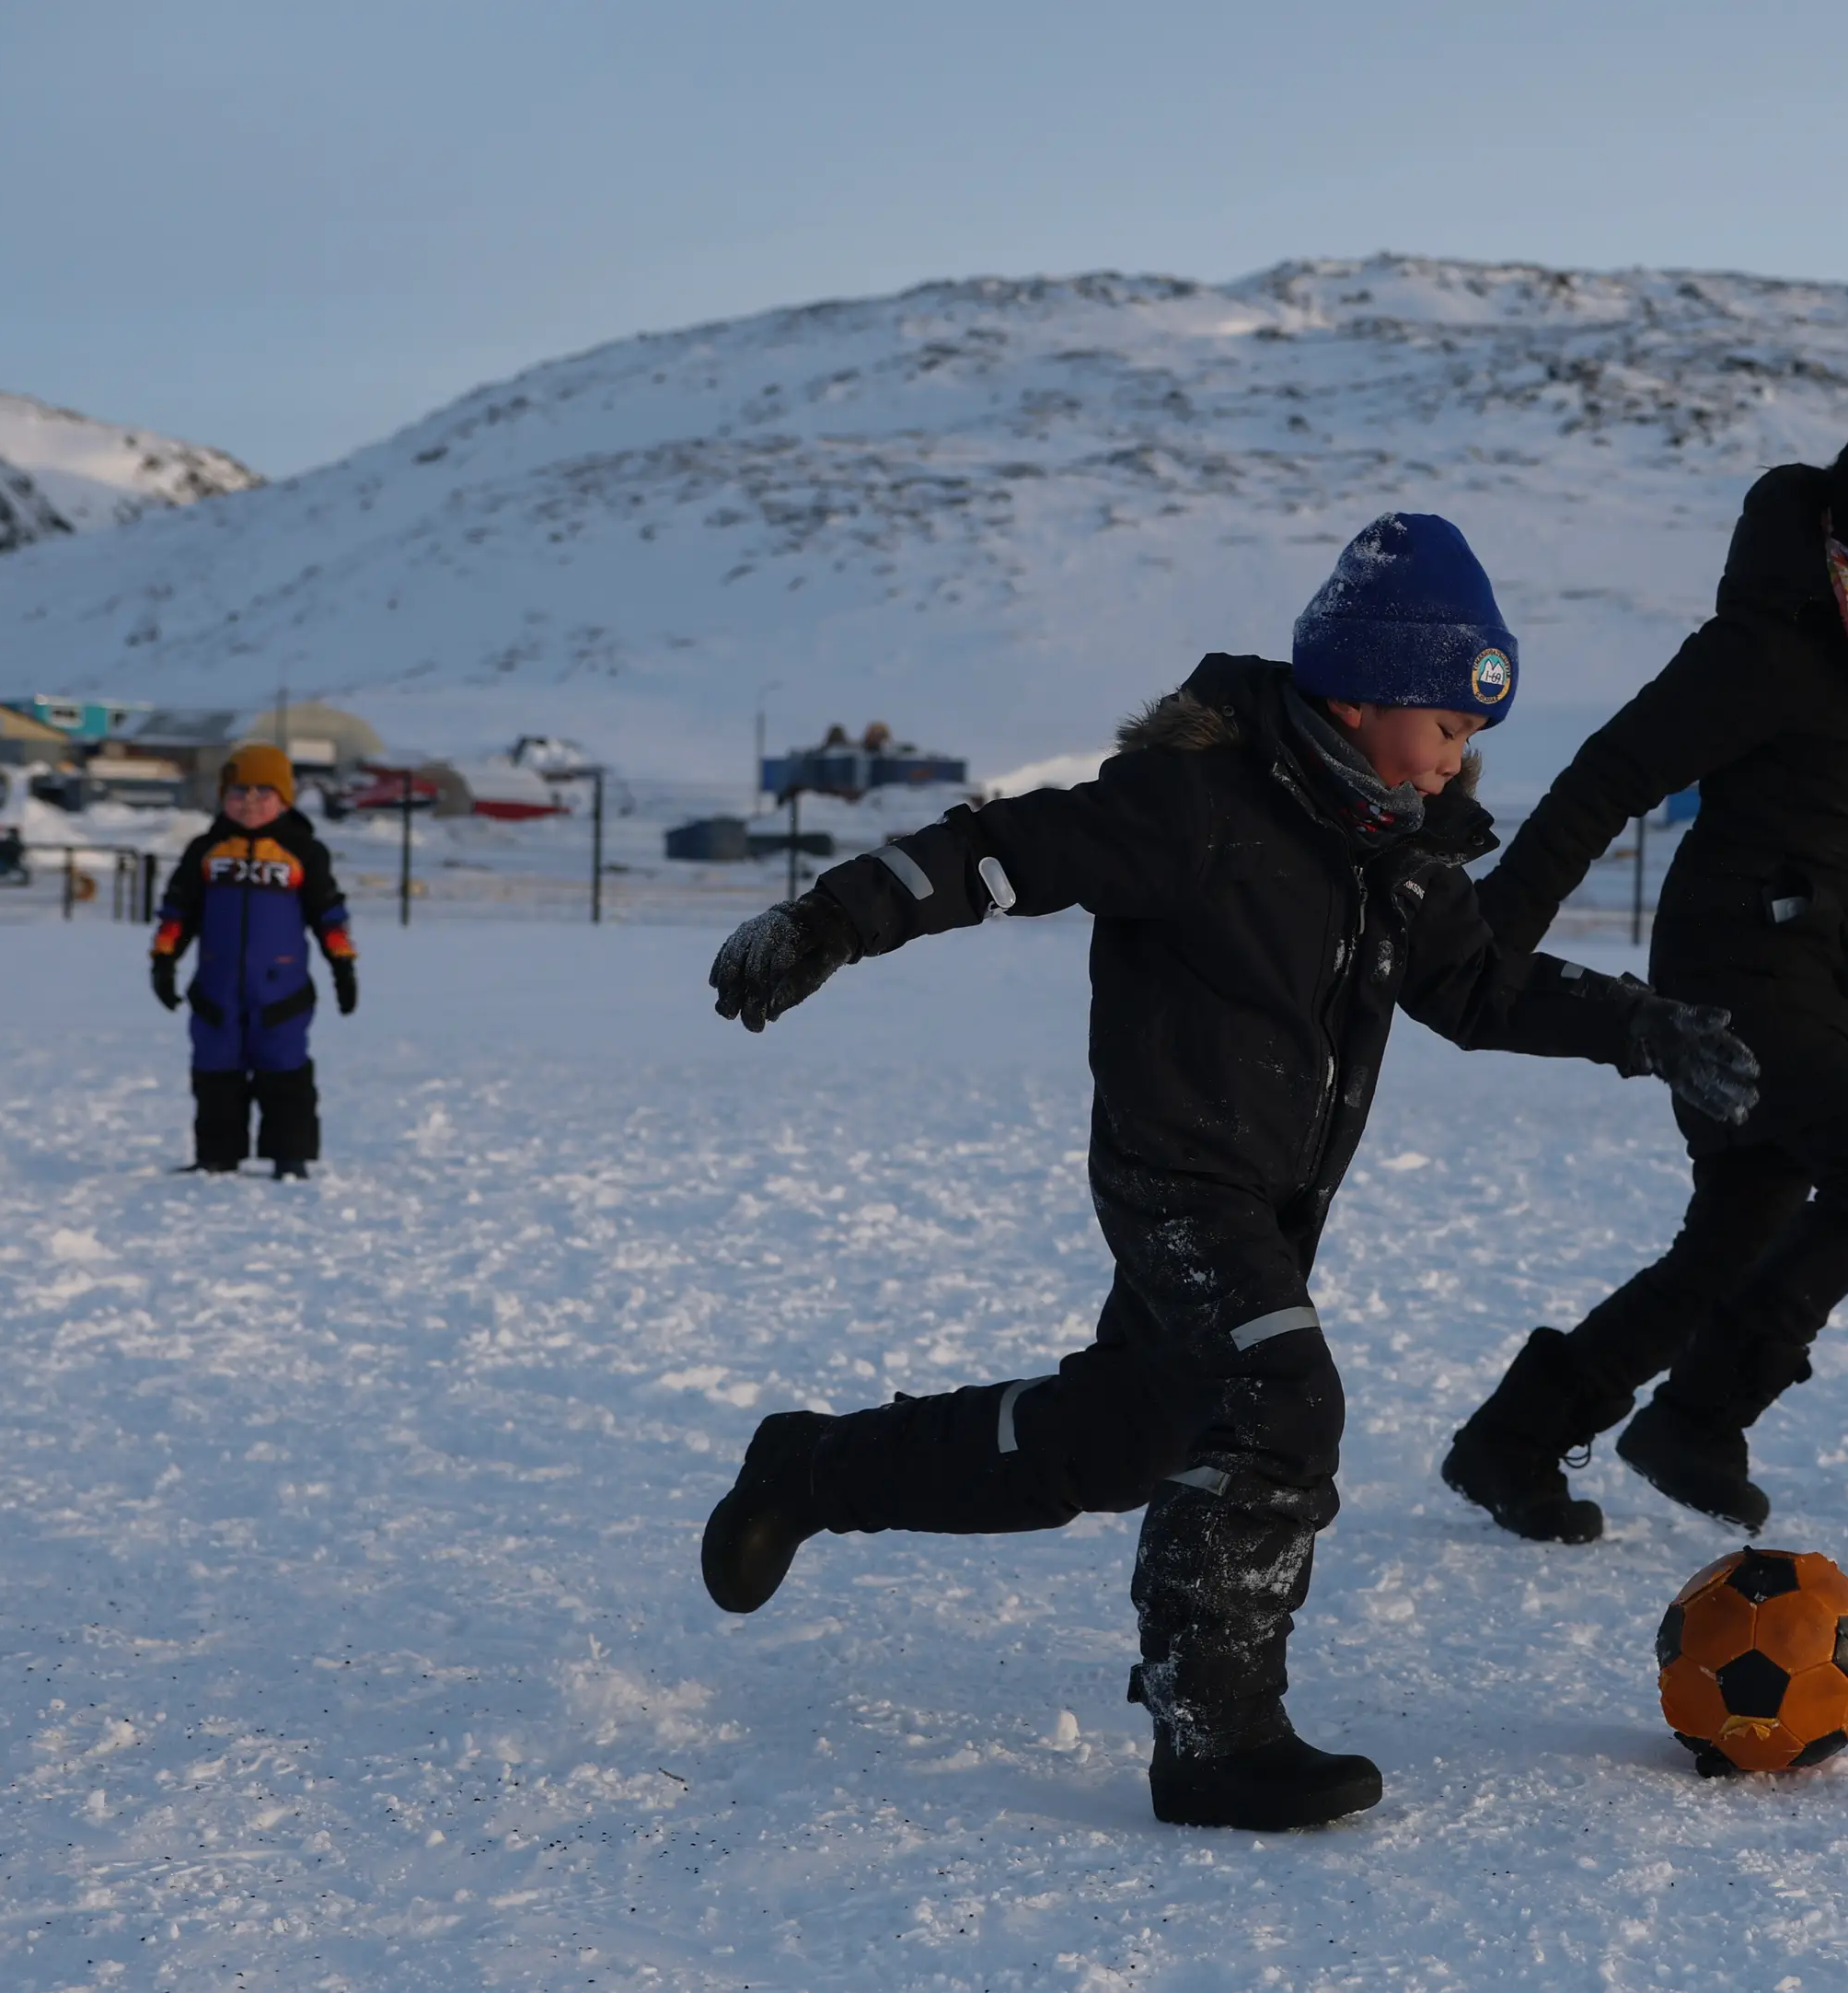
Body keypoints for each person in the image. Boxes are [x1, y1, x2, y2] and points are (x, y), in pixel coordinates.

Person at [693, 514, 1759, 1833]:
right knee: (1278, 1392)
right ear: (1360, 697)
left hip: (1270, 1203)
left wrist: (1644, 1027)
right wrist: (829, 918)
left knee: (1115, 1438)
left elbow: (1483, 988)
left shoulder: (1402, 853)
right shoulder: (1195, 806)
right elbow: (998, 850)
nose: (1460, 758)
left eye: (1472, 736)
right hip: (1175, 1179)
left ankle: (809, 1471)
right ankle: (1214, 1732)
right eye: (1447, 725)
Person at [1443, 414, 1848, 1542]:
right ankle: (1699, 1415)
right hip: (1732, 967)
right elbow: (1613, 771)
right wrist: (1501, 927)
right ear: (1847, 535)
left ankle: (1518, 1435)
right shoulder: (1772, 645)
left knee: (1734, 1236)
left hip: (1832, 977)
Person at [149, 740, 358, 1176]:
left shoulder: (304, 851)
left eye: (264, 793)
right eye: (239, 792)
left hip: (280, 990)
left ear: (284, 798)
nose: (250, 802)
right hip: (215, 988)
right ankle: (217, 1156)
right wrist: (164, 961)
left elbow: (329, 915)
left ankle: (290, 1156)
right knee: (214, 1069)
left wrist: (343, 966)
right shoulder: (205, 851)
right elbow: (178, 911)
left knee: (284, 1069)